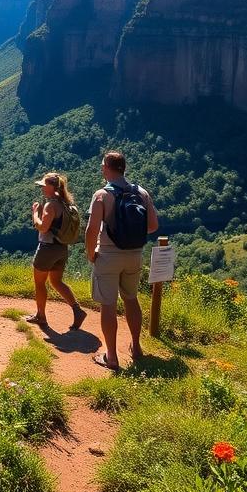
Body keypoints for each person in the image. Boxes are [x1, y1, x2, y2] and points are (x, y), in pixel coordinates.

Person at [84, 151, 159, 370]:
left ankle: (112, 357)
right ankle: (136, 348)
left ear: (107, 167)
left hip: (108, 255)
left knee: (108, 305)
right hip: (134, 255)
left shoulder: (101, 195)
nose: (101, 169)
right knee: (131, 299)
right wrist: (130, 231)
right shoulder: (141, 192)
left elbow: (91, 230)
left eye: (102, 165)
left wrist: (91, 253)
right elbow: (153, 226)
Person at [28, 172, 87, 330]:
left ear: (52, 187)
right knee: (56, 281)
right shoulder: (65, 204)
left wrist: (35, 213)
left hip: (47, 248)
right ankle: (77, 310)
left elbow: (43, 227)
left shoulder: (51, 205)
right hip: (61, 248)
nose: (41, 187)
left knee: (39, 283)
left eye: (43, 185)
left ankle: (41, 316)